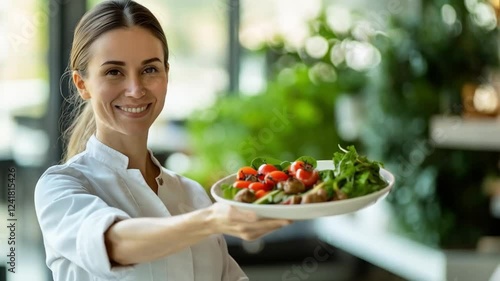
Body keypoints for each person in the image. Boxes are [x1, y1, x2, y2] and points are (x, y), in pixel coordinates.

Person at [33, 1, 291, 280]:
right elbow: (114, 244)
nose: (135, 90)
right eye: (114, 72)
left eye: (149, 70)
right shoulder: (60, 187)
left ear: (166, 74)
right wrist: (212, 219)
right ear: (82, 84)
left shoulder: (192, 195)